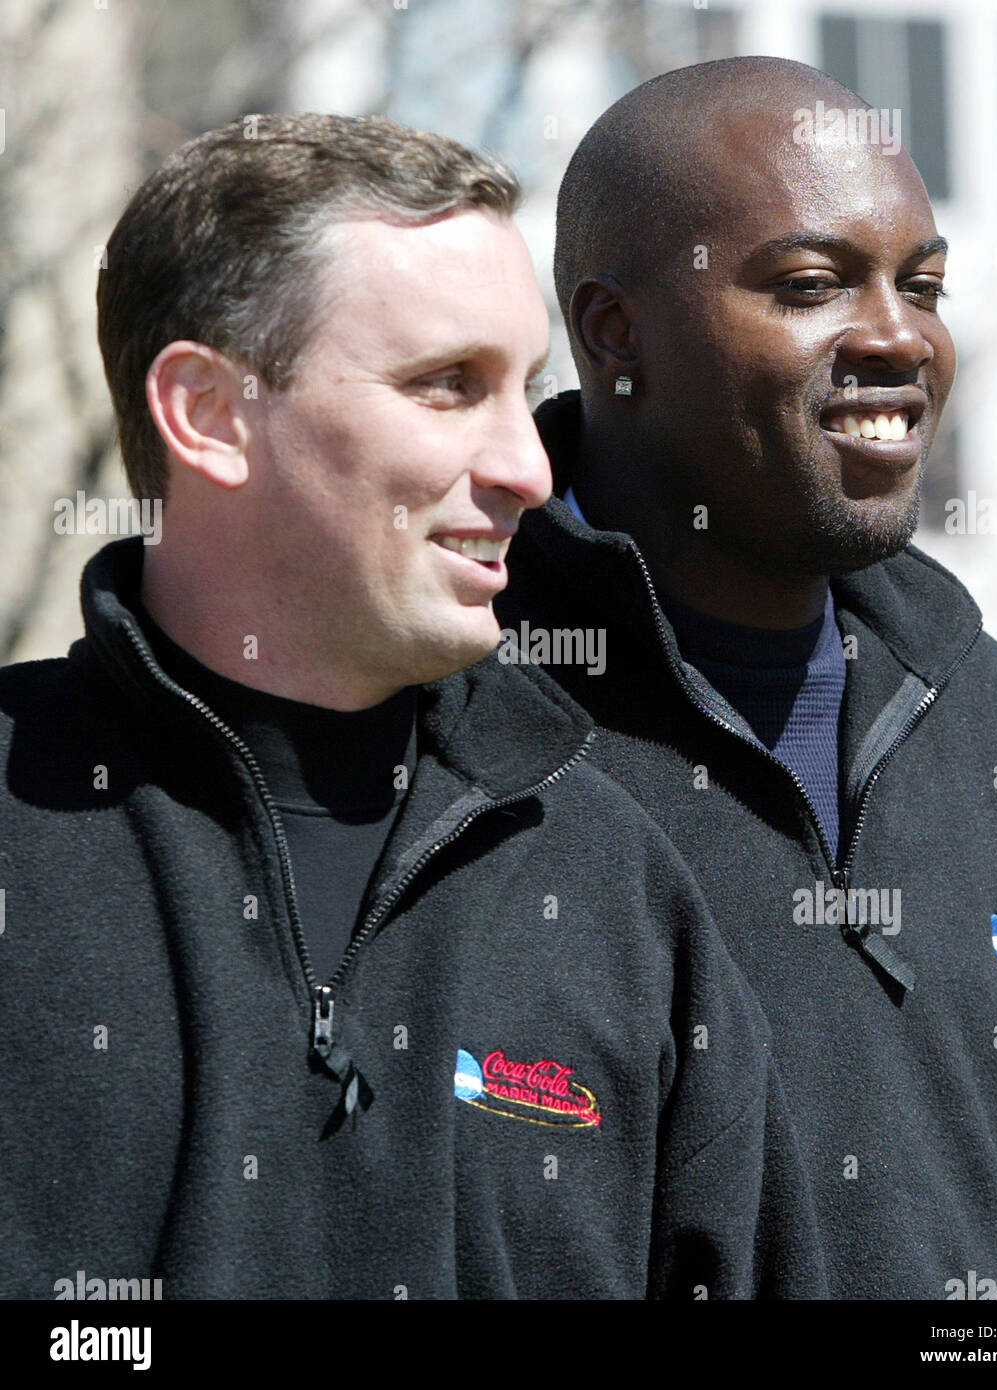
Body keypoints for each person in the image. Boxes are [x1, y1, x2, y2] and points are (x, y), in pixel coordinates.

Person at [0, 113, 826, 1301]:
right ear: (208, 413)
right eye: (449, 387)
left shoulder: (609, 879)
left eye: (524, 390)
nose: (528, 468)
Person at [497, 57, 997, 1299]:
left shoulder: (988, 723)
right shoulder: (462, 712)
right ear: (615, 334)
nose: (896, 336)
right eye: (814, 285)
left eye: (922, 285)